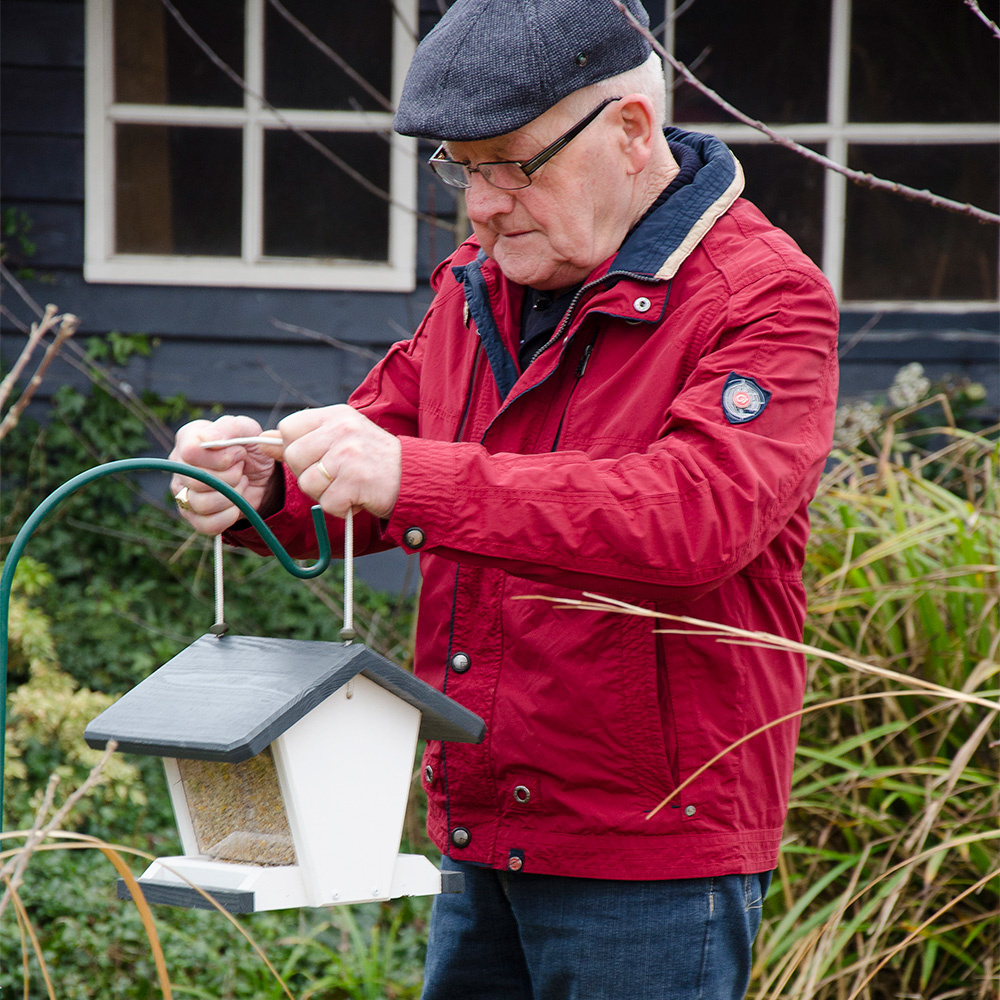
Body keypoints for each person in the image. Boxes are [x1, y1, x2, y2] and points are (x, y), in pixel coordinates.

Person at [169, 1, 840, 996]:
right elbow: (369, 463)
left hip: (648, 858)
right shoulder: (480, 285)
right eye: (460, 167)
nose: (480, 206)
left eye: (512, 165)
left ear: (630, 131)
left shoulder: (765, 299)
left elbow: (695, 513)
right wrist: (260, 484)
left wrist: (408, 474)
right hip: (483, 829)